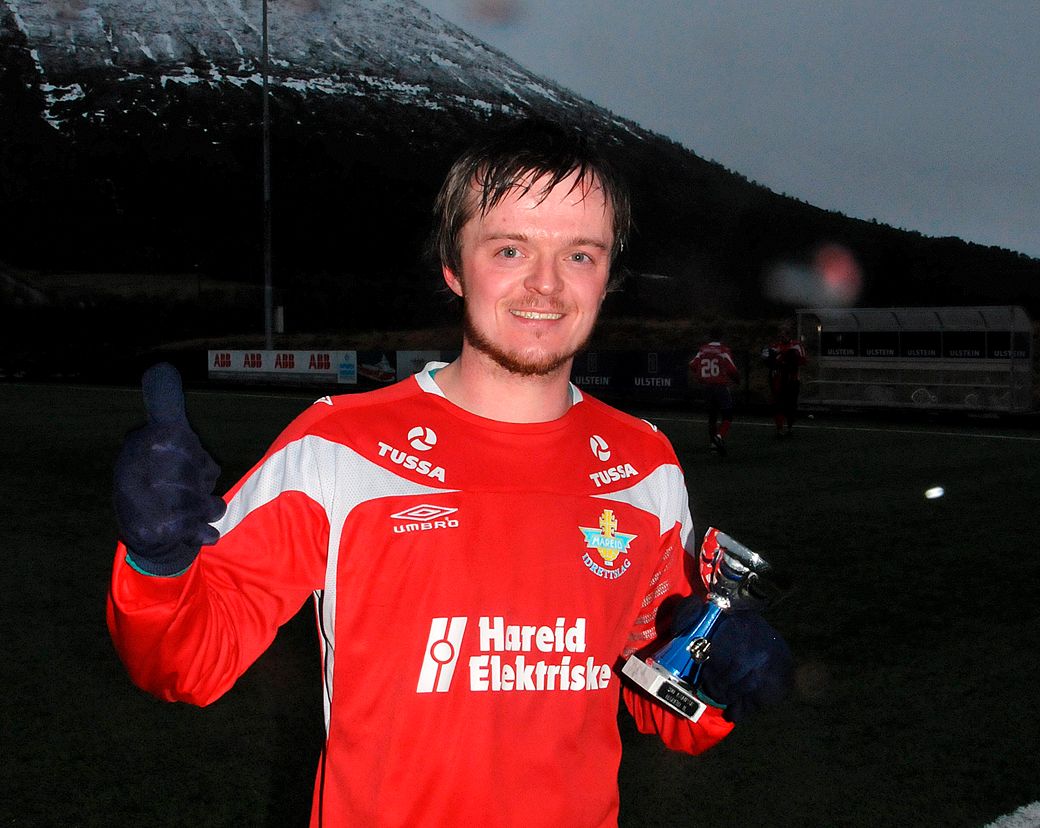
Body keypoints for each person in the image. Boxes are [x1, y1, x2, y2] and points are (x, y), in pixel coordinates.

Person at [109, 119, 792, 827]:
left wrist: (722, 677)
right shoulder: (339, 446)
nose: (546, 286)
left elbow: (665, 694)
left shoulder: (643, 466)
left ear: (608, 274)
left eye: (580, 255)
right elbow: (184, 663)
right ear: (453, 266)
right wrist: (158, 561)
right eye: (509, 248)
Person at [689, 329, 740, 455]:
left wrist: (701, 375)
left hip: (707, 387)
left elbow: (692, 364)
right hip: (720, 387)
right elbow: (732, 369)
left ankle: (712, 444)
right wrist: (736, 380)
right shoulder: (723, 350)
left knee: (712, 416)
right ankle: (719, 436)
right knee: (727, 414)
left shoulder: (702, 350)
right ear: (721, 338)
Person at [762, 322, 808, 437]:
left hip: (792, 379)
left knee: (791, 404)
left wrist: (790, 359)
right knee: (778, 404)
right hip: (778, 379)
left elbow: (803, 361)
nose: (782, 337)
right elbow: (767, 360)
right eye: (780, 335)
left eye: (784, 335)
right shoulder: (774, 346)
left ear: (789, 335)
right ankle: (779, 428)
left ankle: (790, 427)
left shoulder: (796, 345)